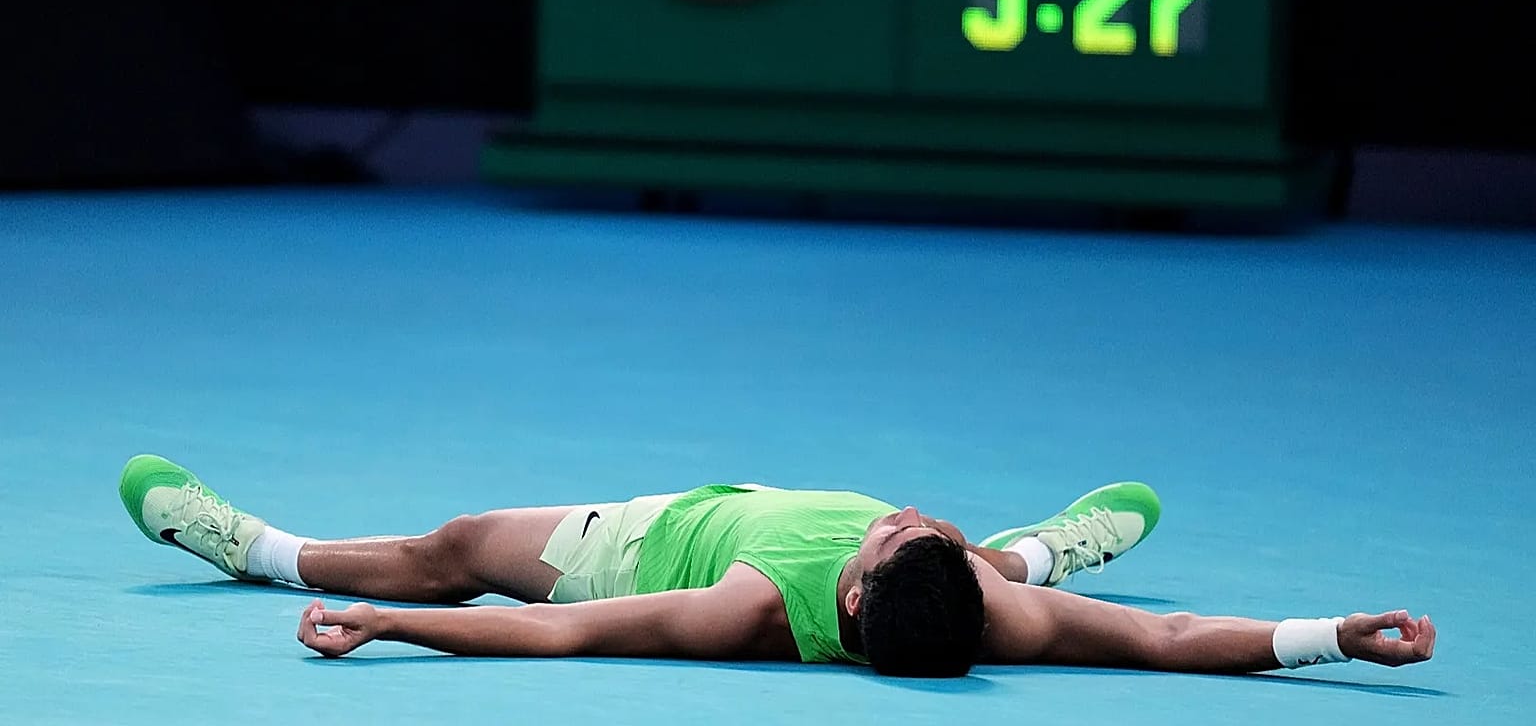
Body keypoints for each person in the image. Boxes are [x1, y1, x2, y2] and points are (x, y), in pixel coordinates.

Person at [119, 454, 1435, 677]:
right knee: (1028, 564)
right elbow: (1163, 638)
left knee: (460, 552)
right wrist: (1332, 631)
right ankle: (1050, 542)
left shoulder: (746, 605)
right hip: (955, 569)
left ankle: (270, 555)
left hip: (644, 540)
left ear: (851, 595)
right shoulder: (983, 610)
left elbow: (566, 637)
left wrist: (399, 626)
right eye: (918, 531)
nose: (905, 514)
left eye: (895, 538)